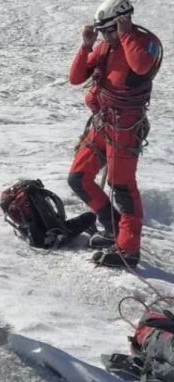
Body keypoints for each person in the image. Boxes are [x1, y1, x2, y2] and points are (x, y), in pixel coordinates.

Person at [67, 0, 162, 269]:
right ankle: (112, 227)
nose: (106, 36)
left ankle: (128, 249)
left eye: (109, 30)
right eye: (104, 31)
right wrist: (87, 45)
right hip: (102, 123)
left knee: (122, 189)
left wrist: (125, 33)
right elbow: (76, 77)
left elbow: (141, 66)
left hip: (125, 127)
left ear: (123, 21)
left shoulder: (144, 43)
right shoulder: (105, 46)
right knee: (78, 178)